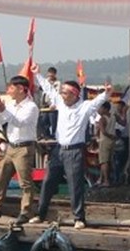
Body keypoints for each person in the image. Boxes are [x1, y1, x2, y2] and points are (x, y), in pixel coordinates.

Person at [34, 78, 110, 228]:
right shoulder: (61, 104)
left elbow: (98, 101)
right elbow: (49, 89)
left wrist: (107, 93)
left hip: (74, 150)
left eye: (65, 93)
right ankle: (40, 214)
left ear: (75, 94)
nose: (62, 95)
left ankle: (79, 218)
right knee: (48, 182)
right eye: (62, 92)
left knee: (75, 185)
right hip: (58, 149)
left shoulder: (85, 107)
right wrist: (37, 74)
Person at [0, 75, 39, 221]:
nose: (8, 90)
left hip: (24, 147)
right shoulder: (12, 105)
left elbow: (20, 122)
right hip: (11, 146)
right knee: (2, 178)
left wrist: (3, 110)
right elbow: (0, 120)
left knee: (25, 182)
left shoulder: (31, 107)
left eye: (11, 87)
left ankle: (26, 211)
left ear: (21, 89)